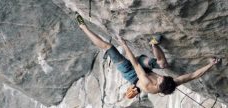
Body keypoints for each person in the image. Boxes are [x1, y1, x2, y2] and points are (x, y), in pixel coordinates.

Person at [75, 13, 220, 99]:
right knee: (163, 64)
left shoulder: (147, 84)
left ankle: (83, 27)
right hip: (143, 66)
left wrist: (124, 44)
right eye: (163, 77)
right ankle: (154, 44)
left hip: (131, 72)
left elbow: (135, 65)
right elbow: (192, 75)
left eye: (160, 78)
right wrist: (211, 64)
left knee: (108, 47)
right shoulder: (169, 84)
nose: (160, 76)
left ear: (157, 84)